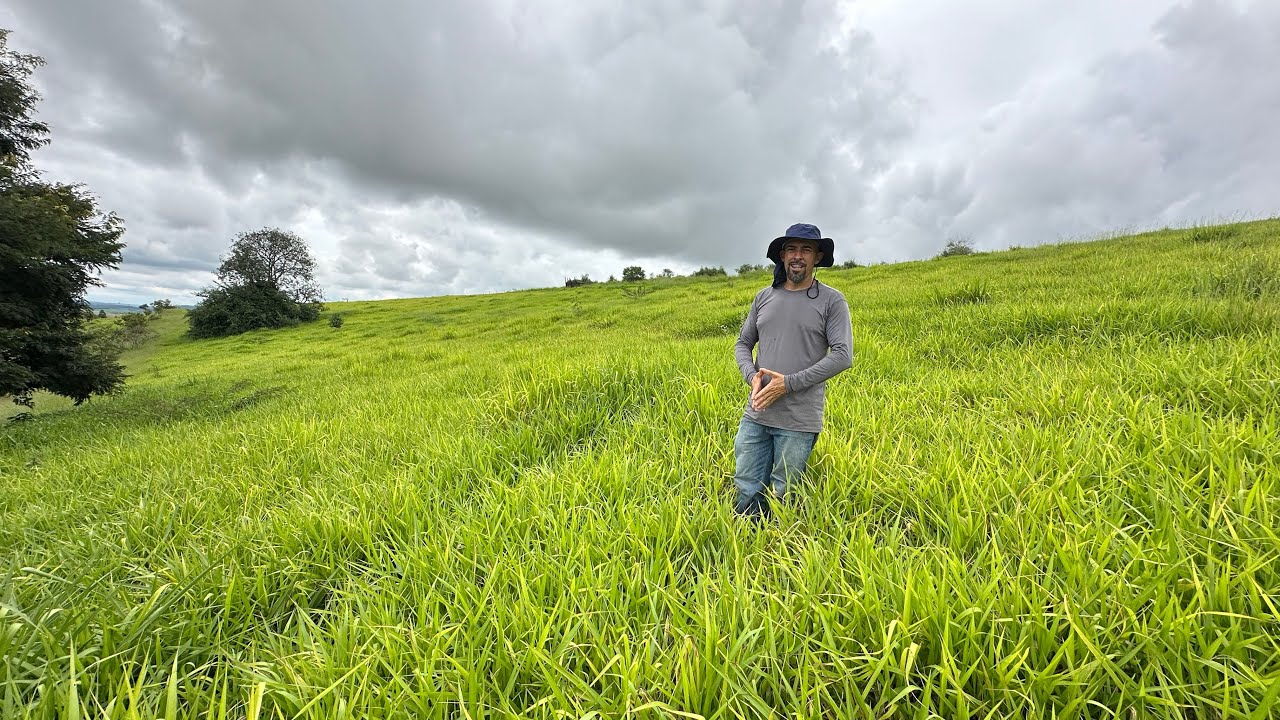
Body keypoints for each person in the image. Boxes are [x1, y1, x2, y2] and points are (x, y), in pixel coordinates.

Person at [732, 223, 853, 520]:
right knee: (747, 487)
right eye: (792, 249)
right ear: (782, 256)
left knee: (784, 494)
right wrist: (753, 376)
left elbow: (842, 356)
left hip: (798, 420)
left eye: (806, 250)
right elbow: (743, 343)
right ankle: (745, 550)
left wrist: (787, 385)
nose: (798, 256)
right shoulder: (764, 297)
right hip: (757, 413)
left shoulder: (831, 300)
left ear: (817, 257)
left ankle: (780, 552)